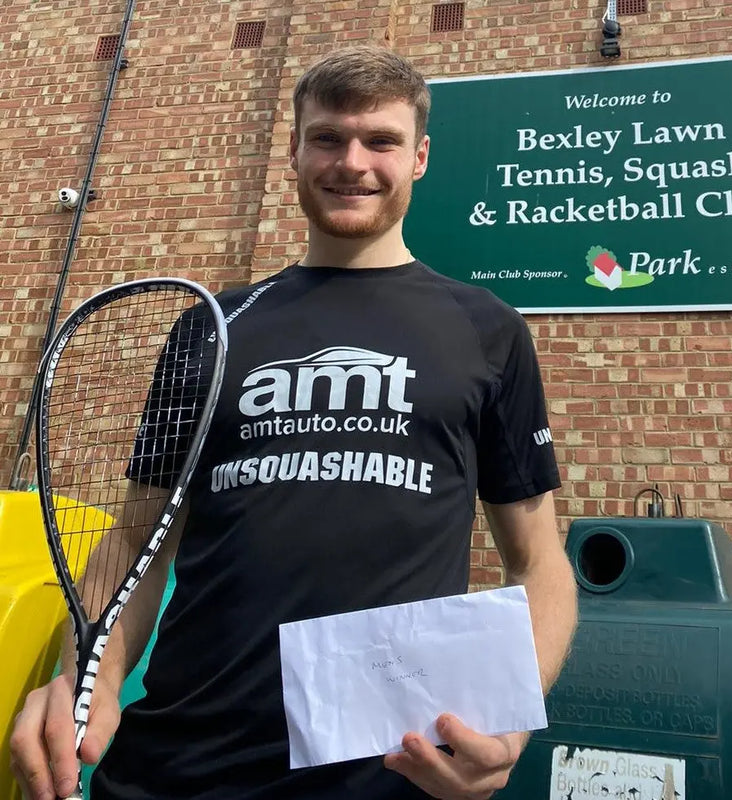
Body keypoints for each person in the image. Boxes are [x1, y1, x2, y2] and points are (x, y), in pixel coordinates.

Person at [10, 45, 577, 800]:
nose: (353, 162)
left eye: (381, 140)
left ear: (420, 158)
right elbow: (135, 540)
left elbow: (538, 563)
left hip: (385, 771)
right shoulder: (214, 325)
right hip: (174, 768)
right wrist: (84, 673)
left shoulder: (485, 329)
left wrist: (511, 714)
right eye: (328, 138)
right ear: (294, 151)